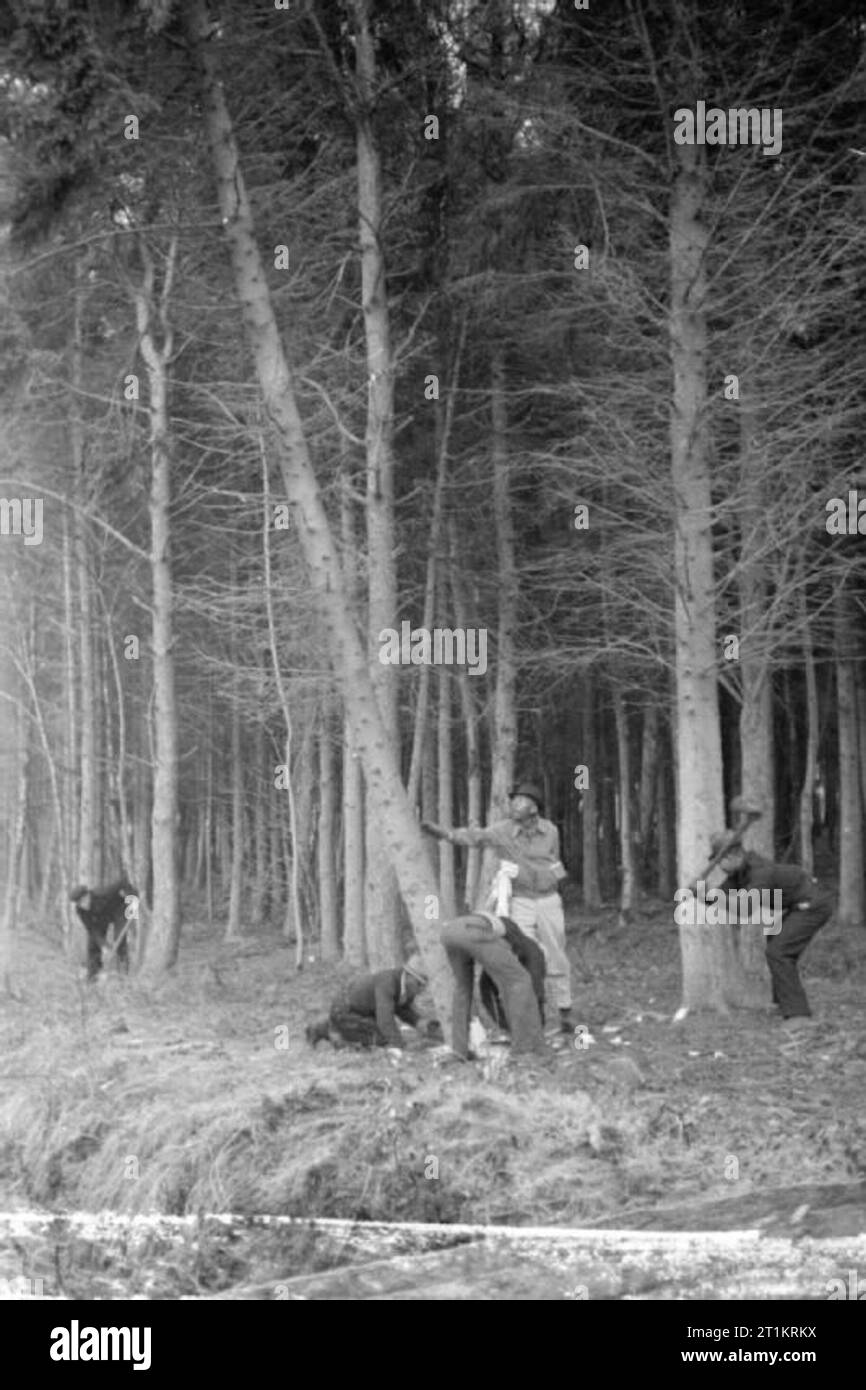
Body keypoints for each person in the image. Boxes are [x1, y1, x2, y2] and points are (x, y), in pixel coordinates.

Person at [422, 780, 575, 1033]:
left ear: (534, 808)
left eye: (521, 801)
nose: (514, 805)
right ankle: (533, 1014)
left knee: (557, 954)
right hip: (521, 901)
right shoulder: (503, 831)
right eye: (513, 800)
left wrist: (558, 881)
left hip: (549, 900)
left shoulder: (550, 831)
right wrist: (444, 834)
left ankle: (566, 1012)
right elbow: (475, 837)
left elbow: (555, 861)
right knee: (528, 956)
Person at [714, 838, 833, 1028]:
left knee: (778, 952)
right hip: (797, 907)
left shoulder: (759, 872)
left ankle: (798, 1015)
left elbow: (746, 909)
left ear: (733, 856)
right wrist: (699, 894)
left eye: (720, 861)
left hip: (813, 905)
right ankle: (783, 1004)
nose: (719, 866)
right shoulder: (739, 873)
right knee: (775, 942)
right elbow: (721, 894)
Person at [439, 913, 549, 1062]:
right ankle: (524, 1050)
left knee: (462, 989)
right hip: (473, 931)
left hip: (448, 933)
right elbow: (533, 988)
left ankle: (459, 1051)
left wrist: (505, 1023)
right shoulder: (531, 948)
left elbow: (487, 988)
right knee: (520, 980)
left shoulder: (500, 938)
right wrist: (537, 1026)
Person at [306, 955, 432, 1050]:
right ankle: (332, 1033)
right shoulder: (388, 983)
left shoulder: (405, 986)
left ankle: (333, 1026)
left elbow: (402, 1009)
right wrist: (400, 1045)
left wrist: (418, 1021)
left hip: (363, 1010)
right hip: (345, 1009)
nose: (421, 990)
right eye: (419, 984)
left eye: (423, 986)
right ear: (409, 975)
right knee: (381, 1039)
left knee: (386, 1033)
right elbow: (385, 1019)